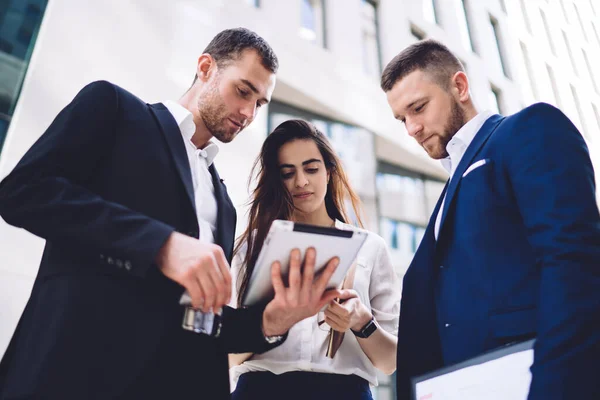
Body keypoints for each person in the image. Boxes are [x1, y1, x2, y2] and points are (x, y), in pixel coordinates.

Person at [0, 28, 344, 400]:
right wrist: (161, 245)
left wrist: (274, 320)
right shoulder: (115, 109)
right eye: (243, 91)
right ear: (206, 67)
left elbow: (200, 320)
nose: (247, 113)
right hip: (75, 376)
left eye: (260, 104)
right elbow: (23, 191)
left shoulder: (224, 203)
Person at [380, 39, 600, 400]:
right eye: (402, 118)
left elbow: (573, 263)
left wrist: (553, 387)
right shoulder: (449, 191)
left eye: (418, 108)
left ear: (460, 87)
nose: (411, 129)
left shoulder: (527, 130)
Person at [227, 119, 401, 400]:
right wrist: (268, 324)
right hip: (260, 391)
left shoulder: (370, 247)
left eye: (311, 168)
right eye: (287, 173)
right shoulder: (251, 246)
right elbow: (225, 358)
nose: (301, 182)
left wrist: (361, 321)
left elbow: (390, 362)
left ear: (329, 171)